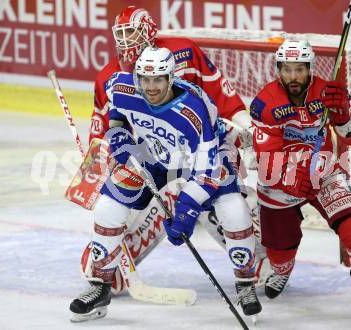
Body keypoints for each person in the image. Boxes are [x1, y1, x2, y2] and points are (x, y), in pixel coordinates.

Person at [80, 5, 269, 294]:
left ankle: (253, 258)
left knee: (218, 195)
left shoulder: (185, 52)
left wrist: (247, 132)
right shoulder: (110, 78)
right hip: (150, 160)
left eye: (133, 32)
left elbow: (224, 97)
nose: (128, 40)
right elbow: (103, 132)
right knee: (120, 206)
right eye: (123, 34)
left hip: (199, 155)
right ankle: (111, 266)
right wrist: (96, 171)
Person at [250, 39, 351, 318]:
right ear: (278, 69)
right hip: (280, 180)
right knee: (279, 255)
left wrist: (342, 114)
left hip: (325, 173)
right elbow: (265, 154)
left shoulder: (327, 92)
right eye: (287, 69)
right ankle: (283, 270)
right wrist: (290, 180)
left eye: (299, 69)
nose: (293, 77)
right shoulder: (265, 102)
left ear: (310, 68)